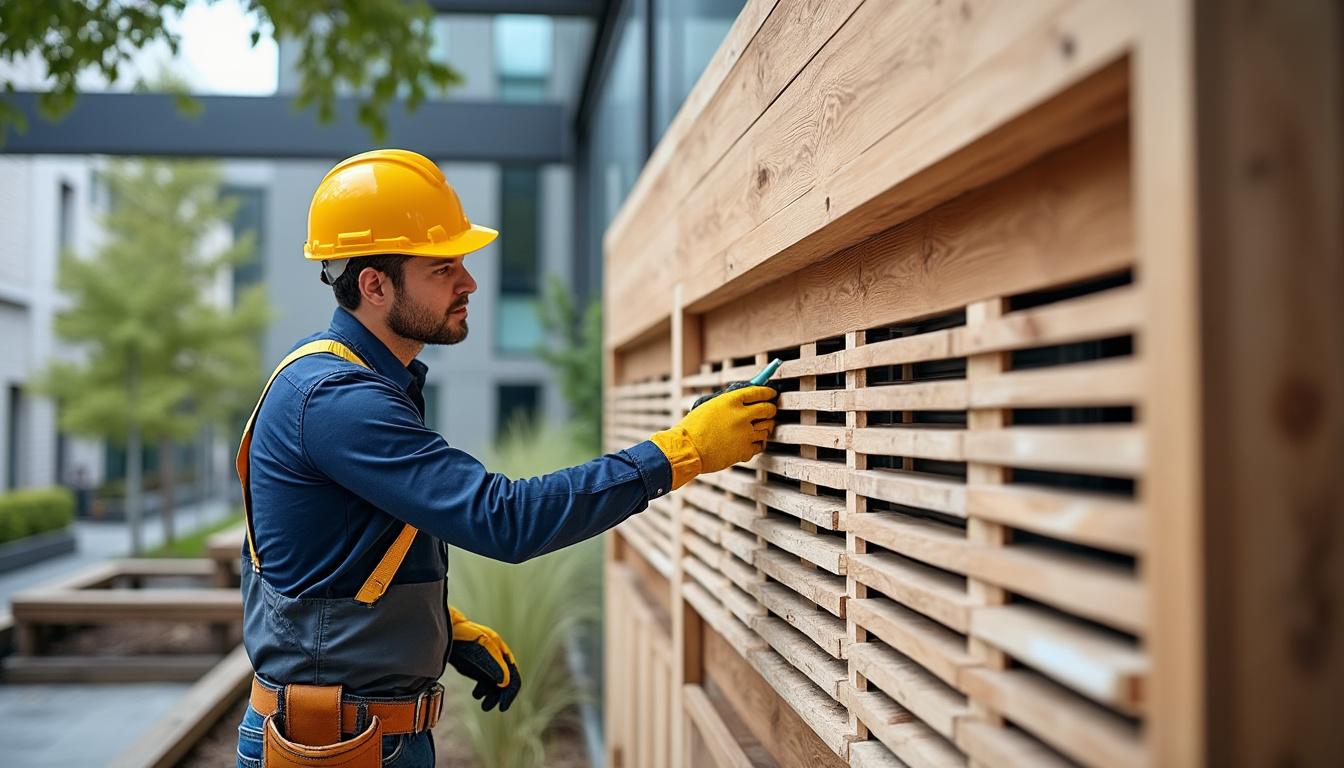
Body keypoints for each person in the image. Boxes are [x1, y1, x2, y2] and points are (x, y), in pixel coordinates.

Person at [234, 149, 777, 768]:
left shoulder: (350, 382)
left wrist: (443, 628)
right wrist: (681, 452)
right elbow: (504, 519)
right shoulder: (337, 400)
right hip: (335, 746)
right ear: (375, 285)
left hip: (353, 734)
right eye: (443, 268)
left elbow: (324, 560)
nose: (469, 282)